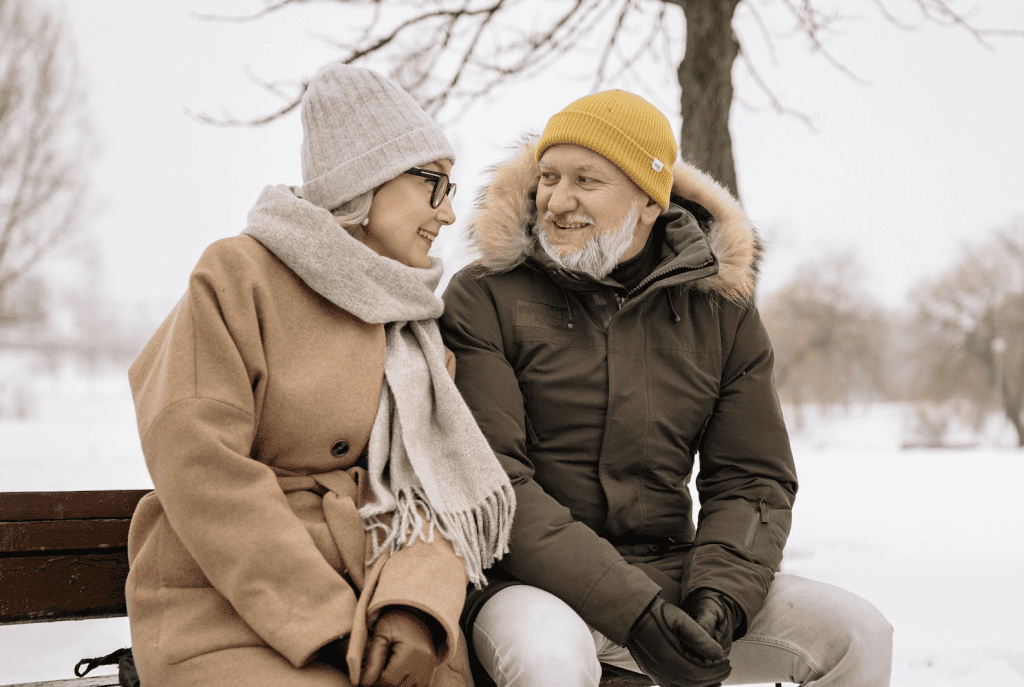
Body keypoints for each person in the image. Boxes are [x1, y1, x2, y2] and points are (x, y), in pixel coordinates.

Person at [439, 90, 893, 687]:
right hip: (526, 585)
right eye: (548, 177)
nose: (556, 199)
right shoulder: (484, 296)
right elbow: (495, 484)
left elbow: (752, 480)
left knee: (859, 633)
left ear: (650, 201)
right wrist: (635, 612)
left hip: (674, 575)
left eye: (586, 180)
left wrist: (721, 600)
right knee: (547, 660)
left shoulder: (722, 312)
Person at [124, 63, 514, 687]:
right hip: (229, 607)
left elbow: (434, 489)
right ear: (368, 182)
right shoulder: (238, 277)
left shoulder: (413, 326)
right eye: (434, 185)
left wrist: (414, 612)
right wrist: (327, 625)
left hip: (379, 599)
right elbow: (199, 466)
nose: (447, 213)